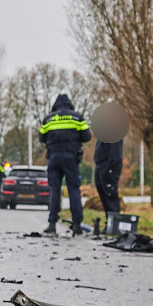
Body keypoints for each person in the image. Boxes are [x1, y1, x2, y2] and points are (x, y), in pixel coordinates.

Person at [39, 94, 92, 235]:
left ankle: (52, 224)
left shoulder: (48, 118)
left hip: (54, 157)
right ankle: (77, 225)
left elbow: (41, 138)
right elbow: (87, 136)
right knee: (74, 190)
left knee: (54, 190)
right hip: (71, 157)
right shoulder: (77, 117)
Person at [93, 134, 124, 230]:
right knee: (103, 195)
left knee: (110, 196)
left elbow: (116, 152)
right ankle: (109, 224)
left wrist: (111, 167)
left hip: (108, 166)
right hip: (100, 165)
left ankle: (114, 226)